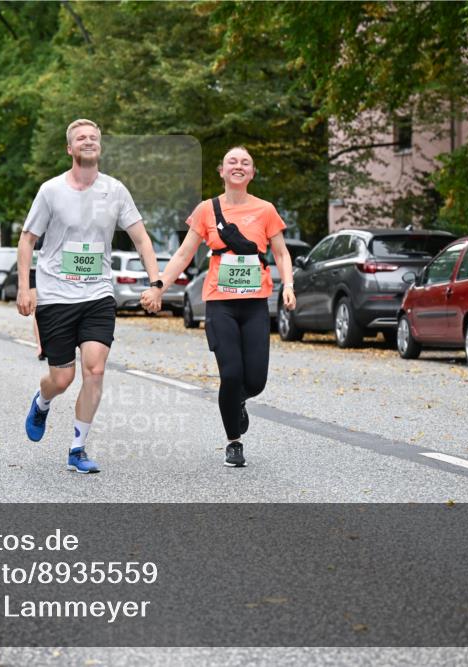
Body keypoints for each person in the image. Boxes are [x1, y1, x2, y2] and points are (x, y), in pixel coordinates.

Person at [16, 118, 162, 474]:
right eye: (80, 137)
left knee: (95, 369)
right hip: (55, 295)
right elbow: (27, 238)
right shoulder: (51, 191)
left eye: (93, 137)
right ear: (69, 148)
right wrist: (25, 286)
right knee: (62, 379)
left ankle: (77, 449)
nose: (88, 141)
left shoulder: (115, 190)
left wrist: (156, 282)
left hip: (97, 293)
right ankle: (42, 401)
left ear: (100, 147)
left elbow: (140, 238)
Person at [143, 146, 296, 468]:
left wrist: (289, 286)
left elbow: (281, 253)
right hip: (220, 303)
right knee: (231, 374)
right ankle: (234, 442)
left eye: (245, 163)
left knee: (254, 381)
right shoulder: (206, 210)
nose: (238, 166)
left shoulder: (266, 210)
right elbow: (184, 254)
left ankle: (238, 400)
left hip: (255, 303)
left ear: (252, 173)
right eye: (232, 162)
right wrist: (159, 287)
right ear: (222, 171)